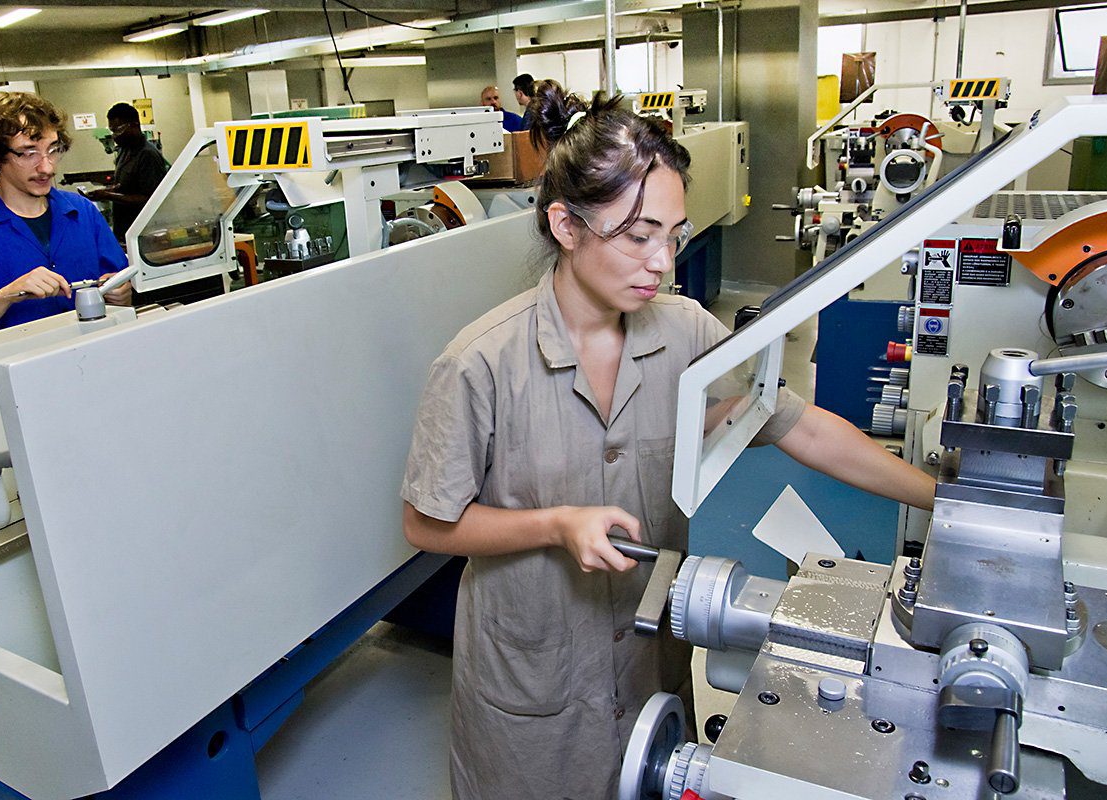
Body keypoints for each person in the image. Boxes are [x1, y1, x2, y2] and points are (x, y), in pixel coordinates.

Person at [400, 81, 936, 800]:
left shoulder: (685, 333)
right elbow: (427, 524)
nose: (662, 262)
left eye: (673, 236)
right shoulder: (481, 363)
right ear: (566, 226)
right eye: (638, 236)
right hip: (533, 677)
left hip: (645, 658)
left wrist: (942, 498)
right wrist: (556, 524)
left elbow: (795, 423)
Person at [0, 91, 130, 347]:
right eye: (28, 153)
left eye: (53, 150)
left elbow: (120, 290)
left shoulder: (82, 212)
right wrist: (5, 297)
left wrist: (121, 295)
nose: (47, 167)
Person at [86, 102, 168, 242]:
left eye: (118, 130)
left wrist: (109, 195)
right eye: (112, 131)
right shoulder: (124, 150)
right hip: (124, 229)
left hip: (143, 232)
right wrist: (108, 191)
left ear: (135, 125)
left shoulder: (147, 155)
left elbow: (150, 199)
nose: (115, 136)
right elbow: (124, 185)